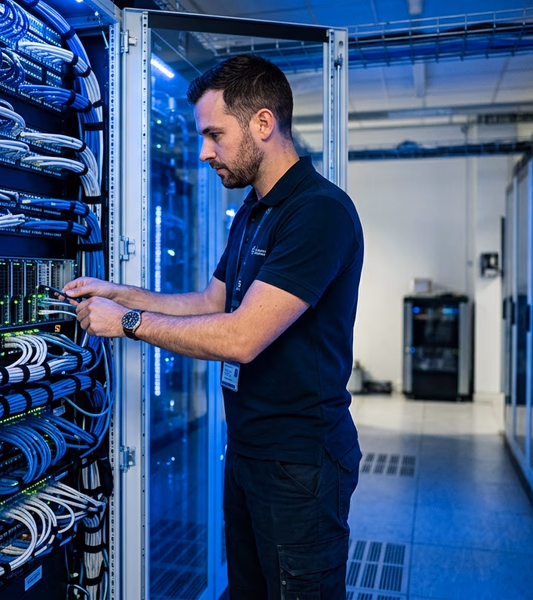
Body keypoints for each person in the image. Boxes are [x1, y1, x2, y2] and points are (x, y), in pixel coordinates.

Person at [63, 53, 364, 600]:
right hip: (249, 448)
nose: (204, 152)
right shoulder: (255, 210)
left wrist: (126, 322)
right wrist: (116, 291)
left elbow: (240, 337)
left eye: (214, 135)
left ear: (263, 124)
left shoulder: (319, 212)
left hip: (301, 462)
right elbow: (210, 302)